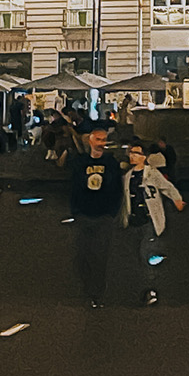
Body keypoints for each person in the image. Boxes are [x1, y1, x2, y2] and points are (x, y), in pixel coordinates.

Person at [121, 139, 185, 305]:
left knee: (146, 252)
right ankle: (142, 286)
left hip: (149, 220)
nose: (132, 156)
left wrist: (177, 199)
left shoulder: (152, 174)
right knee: (135, 255)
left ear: (144, 157)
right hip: (134, 220)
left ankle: (151, 289)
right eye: (131, 153)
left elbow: (167, 187)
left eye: (136, 153)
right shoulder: (127, 177)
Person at [70, 121, 126, 308]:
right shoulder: (80, 162)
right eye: (98, 139)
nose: (101, 143)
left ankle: (97, 293)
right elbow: (72, 187)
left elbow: (118, 188)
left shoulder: (111, 163)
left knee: (101, 255)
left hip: (103, 216)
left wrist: (112, 212)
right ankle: (86, 288)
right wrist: (76, 211)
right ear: (90, 141)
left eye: (104, 140)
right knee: (83, 254)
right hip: (84, 214)